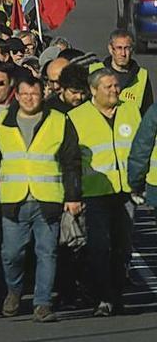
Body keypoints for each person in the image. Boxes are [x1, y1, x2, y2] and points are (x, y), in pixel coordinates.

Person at [0, 74, 82, 323]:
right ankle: (14, 290)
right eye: (24, 94)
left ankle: (42, 304)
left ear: (42, 94)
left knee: (48, 252)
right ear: (17, 94)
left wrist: (73, 195)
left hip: (48, 200)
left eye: (34, 94)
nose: (29, 99)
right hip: (14, 201)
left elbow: (71, 162)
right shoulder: (1, 122)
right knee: (12, 254)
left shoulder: (58, 120)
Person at [68, 69, 139, 317]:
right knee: (99, 247)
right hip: (94, 192)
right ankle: (103, 297)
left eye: (116, 86)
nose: (114, 91)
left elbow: (142, 148)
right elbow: (71, 160)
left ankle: (116, 296)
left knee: (123, 247)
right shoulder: (76, 117)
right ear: (93, 90)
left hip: (126, 191)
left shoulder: (129, 111)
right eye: (108, 87)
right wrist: (73, 194)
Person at [88, 29, 153, 113]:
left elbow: (147, 112)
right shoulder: (93, 71)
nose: (123, 54)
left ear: (132, 50)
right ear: (111, 49)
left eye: (127, 48)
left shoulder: (141, 76)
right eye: (119, 48)